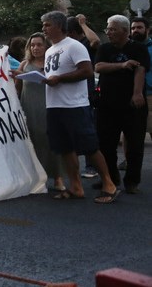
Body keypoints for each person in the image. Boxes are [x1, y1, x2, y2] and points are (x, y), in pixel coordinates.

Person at [40, 11, 119, 203]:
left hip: (74, 105)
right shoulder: (50, 50)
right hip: (54, 105)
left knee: (90, 147)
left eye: (47, 25)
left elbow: (87, 71)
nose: (44, 29)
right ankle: (76, 187)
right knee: (65, 147)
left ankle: (109, 184)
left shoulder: (74, 46)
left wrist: (59, 79)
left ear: (59, 26)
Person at [94, 15, 149, 195]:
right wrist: (122, 65)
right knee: (106, 143)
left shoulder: (138, 48)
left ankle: (132, 181)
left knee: (135, 144)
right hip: (107, 104)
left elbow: (140, 70)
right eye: (108, 29)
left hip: (132, 104)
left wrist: (137, 93)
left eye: (113, 29)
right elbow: (99, 67)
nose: (109, 33)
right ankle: (110, 178)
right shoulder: (104, 48)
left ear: (125, 31)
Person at [16, 32, 64, 192]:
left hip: (50, 108)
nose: (35, 48)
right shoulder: (24, 64)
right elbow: (17, 88)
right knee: (34, 144)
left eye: (39, 44)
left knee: (53, 143)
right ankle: (38, 179)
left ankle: (58, 177)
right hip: (29, 109)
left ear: (46, 46)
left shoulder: (53, 63)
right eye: (32, 45)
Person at [66, 14, 102, 180]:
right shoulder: (67, 46)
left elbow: (96, 42)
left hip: (84, 95)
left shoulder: (84, 44)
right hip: (67, 95)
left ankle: (91, 166)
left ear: (72, 32)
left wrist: (83, 24)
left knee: (87, 131)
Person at [129, 17, 152, 141]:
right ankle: (129, 160)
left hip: (149, 94)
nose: (135, 30)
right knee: (131, 132)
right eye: (133, 28)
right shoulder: (127, 47)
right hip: (130, 94)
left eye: (139, 27)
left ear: (147, 30)